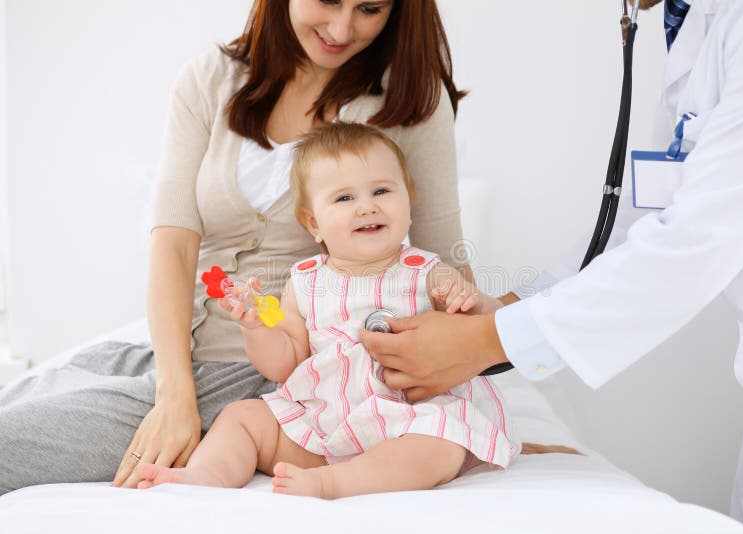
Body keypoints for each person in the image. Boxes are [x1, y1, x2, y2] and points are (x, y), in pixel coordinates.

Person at [360, 1, 743, 533]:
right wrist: (502, 311)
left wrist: (488, 343)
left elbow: (694, 241)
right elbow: (650, 210)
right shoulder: (699, 22)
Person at [0, 0, 472, 494]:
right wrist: (175, 391)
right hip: (175, 358)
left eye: (369, 8)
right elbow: (173, 245)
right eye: (328, 0)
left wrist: (468, 428)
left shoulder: (409, 100)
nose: (341, 27)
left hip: (282, 378)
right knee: (30, 390)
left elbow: (451, 274)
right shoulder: (210, 79)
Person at [135, 123, 520, 498]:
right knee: (242, 417)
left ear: (409, 199)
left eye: (382, 191)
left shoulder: (427, 270)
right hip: (324, 425)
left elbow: (479, 324)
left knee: (440, 443)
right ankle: (207, 474)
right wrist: (257, 329)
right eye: (345, 198)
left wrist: (463, 299)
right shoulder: (304, 282)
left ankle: (337, 484)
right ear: (314, 223)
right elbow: (286, 363)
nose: (367, 207)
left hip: (407, 421)